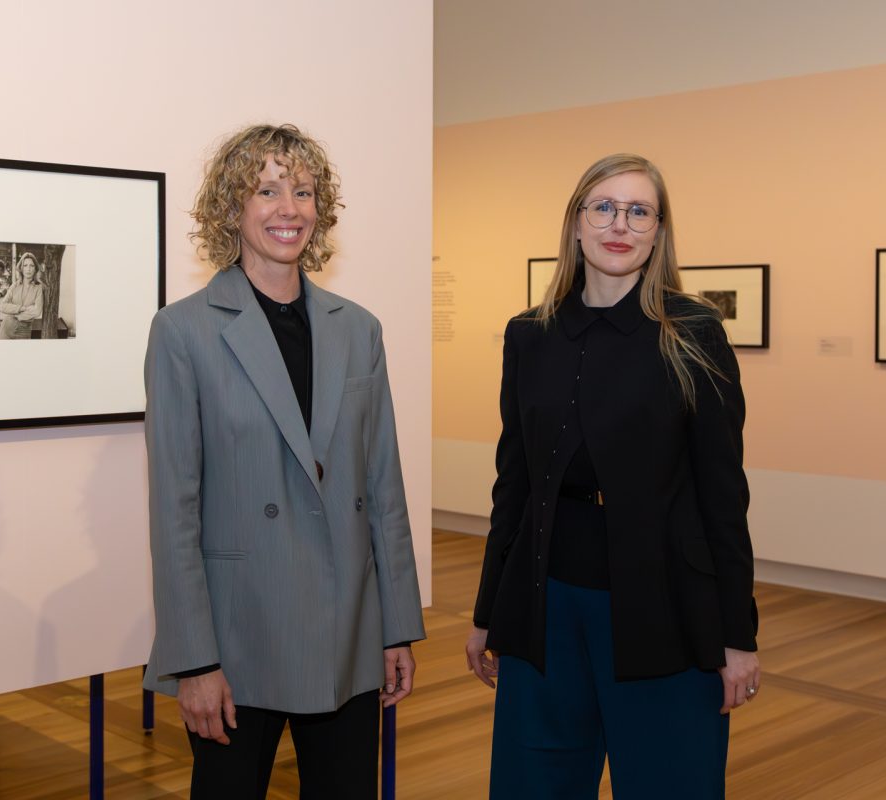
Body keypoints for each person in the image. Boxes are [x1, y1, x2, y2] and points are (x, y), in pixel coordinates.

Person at [142, 123, 425, 800]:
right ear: (231, 209)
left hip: (348, 629)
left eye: (302, 190)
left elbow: (384, 487)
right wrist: (195, 661)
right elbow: (174, 510)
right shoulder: (184, 331)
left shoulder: (358, 329)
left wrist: (396, 627)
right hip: (240, 640)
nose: (288, 208)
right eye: (266, 190)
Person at [465, 153, 759, 799]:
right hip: (547, 603)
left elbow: (722, 496)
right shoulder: (530, 335)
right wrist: (491, 610)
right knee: (535, 781)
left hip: (666, 608)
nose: (618, 224)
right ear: (575, 223)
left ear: (658, 230)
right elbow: (513, 483)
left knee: (668, 781)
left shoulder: (692, 334)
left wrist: (738, 636)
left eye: (638, 210)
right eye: (602, 207)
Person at [0, 253, 44, 339]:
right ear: (21, 268)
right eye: (25, 265)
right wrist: (21, 308)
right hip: (6, 328)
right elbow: (3, 306)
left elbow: (37, 311)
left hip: (24, 330)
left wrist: (16, 315)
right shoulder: (15, 286)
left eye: (31, 266)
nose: (28, 269)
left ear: (35, 269)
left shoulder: (39, 287)